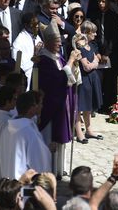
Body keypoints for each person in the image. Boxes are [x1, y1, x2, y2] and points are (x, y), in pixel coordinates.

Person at [37, 19, 81, 179]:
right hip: (50, 106)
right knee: (50, 140)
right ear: (47, 42)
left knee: (61, 140)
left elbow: (69, 78)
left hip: (62, 104)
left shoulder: (58, 57)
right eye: (56, 42)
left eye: (60, 41)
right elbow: (56, 80)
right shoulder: (44, 61)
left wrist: (74, 65)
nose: (59, 44)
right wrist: (70, 61)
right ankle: (49, 170)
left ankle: (58, 169)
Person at [0, 90, 51, 180]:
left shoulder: (7, 129)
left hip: (7, 184)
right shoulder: (29, 132)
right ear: (32, 108)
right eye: (40, 103)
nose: (41, 106)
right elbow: (38, 164)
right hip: (23, 186)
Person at [93, 0, 118, 113]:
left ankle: (110, 105)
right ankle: (99, 105)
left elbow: (114, 37)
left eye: (103, 1)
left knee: (110, 80)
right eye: (99, 1)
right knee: (99, 80)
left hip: (110, 54)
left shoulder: (114, 16)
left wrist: (107, 54)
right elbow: (94, 36)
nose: (101, 4)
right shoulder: (95, 16)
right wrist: (97, 52)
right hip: (98, 54)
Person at [72, 32, 103, 143]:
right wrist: (94, 64)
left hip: (91, 79)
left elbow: (96, 59)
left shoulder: (91, 47)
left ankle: (89, 130)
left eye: (83, 39)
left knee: (88, 106)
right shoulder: (78, 51)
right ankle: (79, 132)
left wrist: (94, 63)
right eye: (80, 39)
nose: (82, 41)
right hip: (82, 79)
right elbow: (86, 67)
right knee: (79, 106)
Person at [12, 12, 43, 91]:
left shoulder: (37, 37)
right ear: (26, 25)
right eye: (33, 24)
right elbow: (18, 66)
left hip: (39, 76)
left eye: (37, 23)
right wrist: (35, 54)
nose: (37, 26)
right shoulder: (19, 42)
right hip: (28, 78)